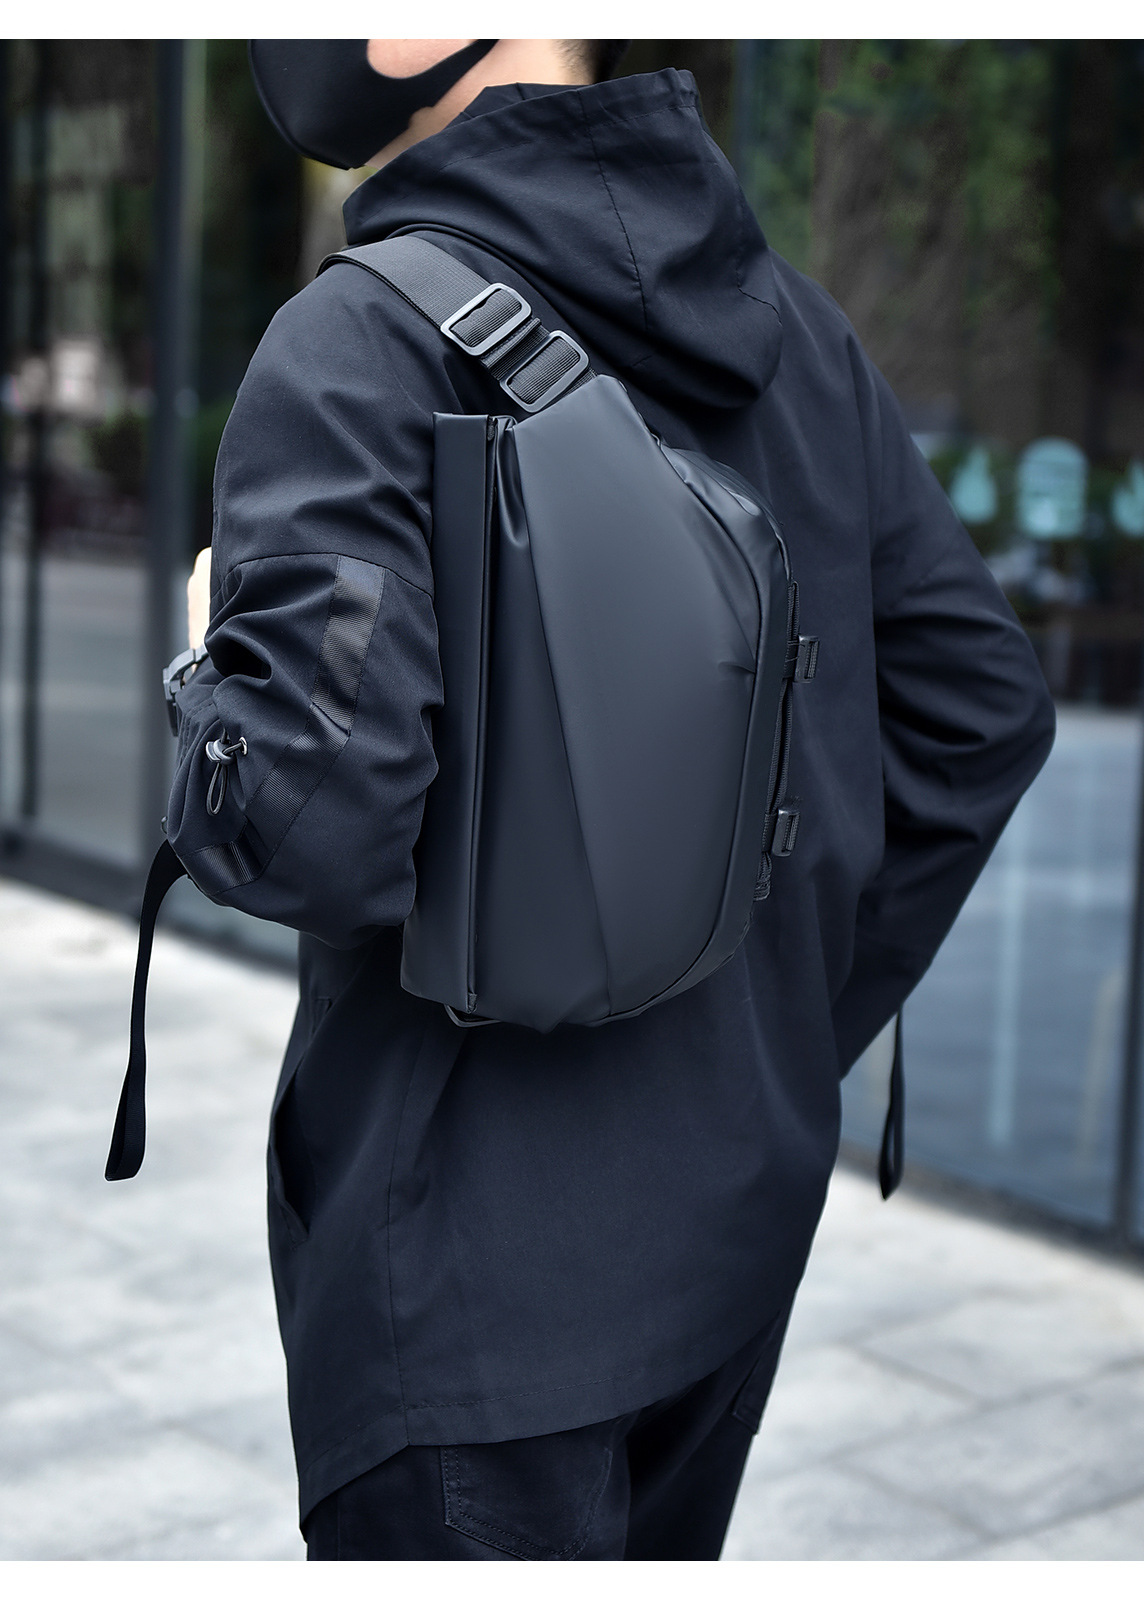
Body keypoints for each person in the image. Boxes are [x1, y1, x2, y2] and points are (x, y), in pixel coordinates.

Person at [174, 40, 1055, 1560]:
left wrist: (209, 674)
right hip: (730, 1235)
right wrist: (776, 1026)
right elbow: (981, 710)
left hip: (468, 1297)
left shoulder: (356, 342)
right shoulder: (794, 329)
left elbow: (310, 831)